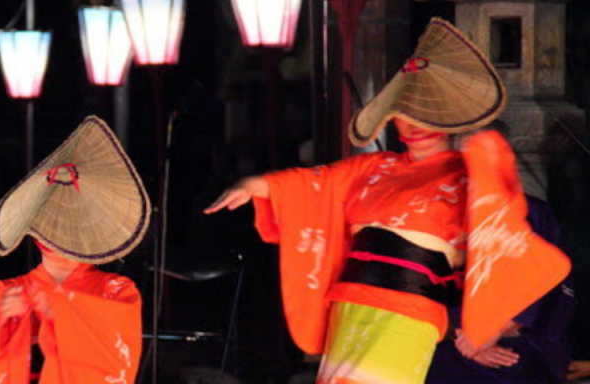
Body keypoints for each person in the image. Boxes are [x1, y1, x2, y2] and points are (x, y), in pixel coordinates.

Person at [203, 18, 570, 384]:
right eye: (404, 111)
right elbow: (316, 185)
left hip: (411, 311)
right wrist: (257, 185)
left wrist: (485, 325)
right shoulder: (373, 168)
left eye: (425, 112)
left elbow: (505, 246)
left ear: (447, 117)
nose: (414, 122)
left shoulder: (469, 177)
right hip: (349, 303)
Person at [0, 116, 147, 384]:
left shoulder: (116, 291)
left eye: (68, 230)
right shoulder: (3, 292)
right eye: (49, 225)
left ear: (90, 236)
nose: (57, 239)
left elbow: (116, 360)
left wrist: (61, 309)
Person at [426, 196, 576, 383]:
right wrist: (457, 333)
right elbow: (402, 280)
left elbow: (550, 277)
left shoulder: (527, 209)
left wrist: (496, 328)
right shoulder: (420, 208)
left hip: (520, 340)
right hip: (441, 338)